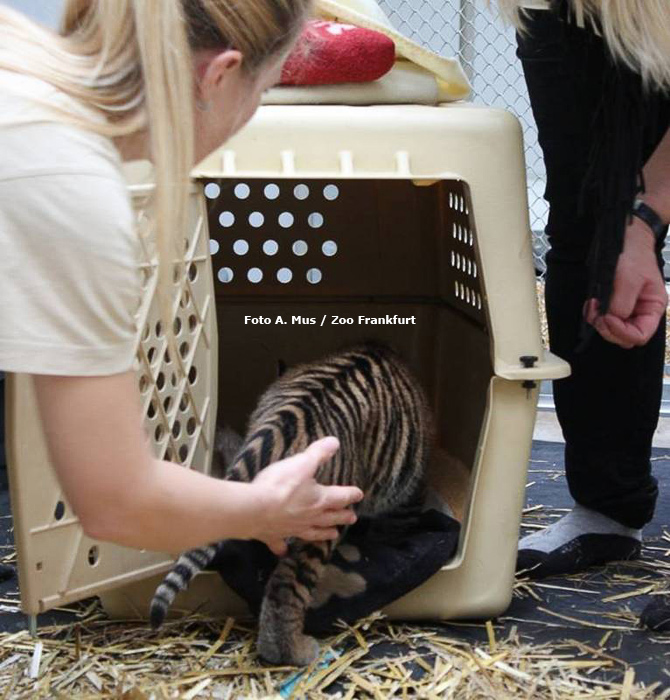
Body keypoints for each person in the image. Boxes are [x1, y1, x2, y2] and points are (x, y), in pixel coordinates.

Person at [0, 0, 364, 563]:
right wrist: (266, 507)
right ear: (217, 76)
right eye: (260, 91)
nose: (252, 110)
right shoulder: (69, 181)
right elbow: (118, 501)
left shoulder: (19, 56)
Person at [492, 0, 670, 631]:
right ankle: (607, 507)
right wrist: (628, 232)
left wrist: (647, 216)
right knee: (585, 229)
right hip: (573, 17)